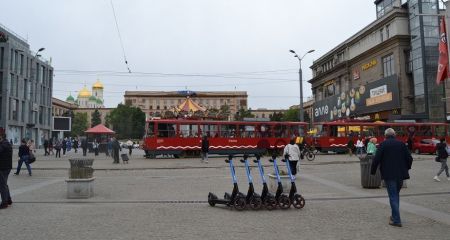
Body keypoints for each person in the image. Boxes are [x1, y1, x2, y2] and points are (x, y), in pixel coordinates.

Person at [370, 128, 413, 227]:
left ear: (385, 136)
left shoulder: (383, 145)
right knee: (395, 195)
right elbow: (409, 158)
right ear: (395, 135)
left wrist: (372, 172)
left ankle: (397, 220)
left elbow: (376, 159)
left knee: (393, 196)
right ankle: (394, 216)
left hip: (389, 175)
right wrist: (407, 168)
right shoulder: (401, 144)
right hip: (401, 175)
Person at [0, 133, 13, 209]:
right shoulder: (6, 143)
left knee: (2, 185)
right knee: (4, 183)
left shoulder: (3, 145)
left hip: (3, 167)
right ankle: (8, 199)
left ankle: (4, 203)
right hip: (6, 167)